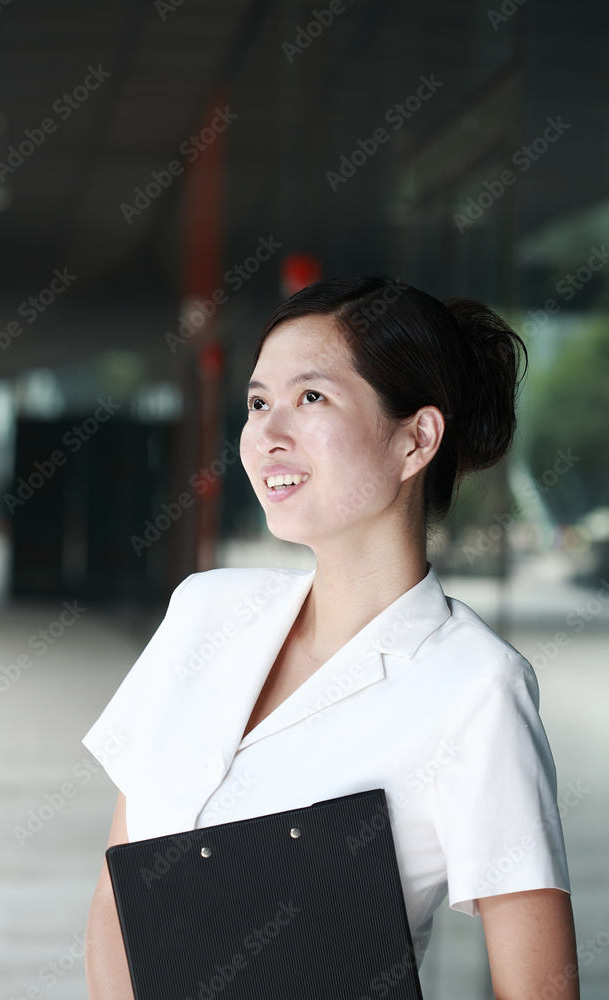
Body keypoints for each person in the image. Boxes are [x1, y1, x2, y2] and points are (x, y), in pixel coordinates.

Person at [82, 274, 579, 1000]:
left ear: (415, 439)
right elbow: (114, 902)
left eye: (310, 397)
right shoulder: (205, 611)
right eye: (258, 403)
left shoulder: (475, 688)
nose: (267, 434)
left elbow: (539, 991)